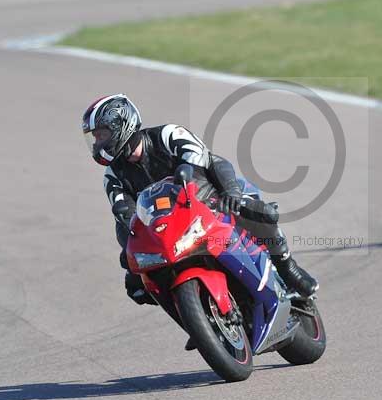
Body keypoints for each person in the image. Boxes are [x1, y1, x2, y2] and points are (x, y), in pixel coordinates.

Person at [82, 94, 320, 310]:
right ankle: (196, 314)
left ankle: (289, 269)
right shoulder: (113, 176)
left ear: (121, 126)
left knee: (262, 213)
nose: (97, 143)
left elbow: (204, 159)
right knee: (139, 277)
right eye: (95, 137)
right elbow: (124, 213)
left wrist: (230, 194)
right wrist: (131, 259)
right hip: (169, 227)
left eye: (101, 134)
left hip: (210, 198)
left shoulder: (168, 135)